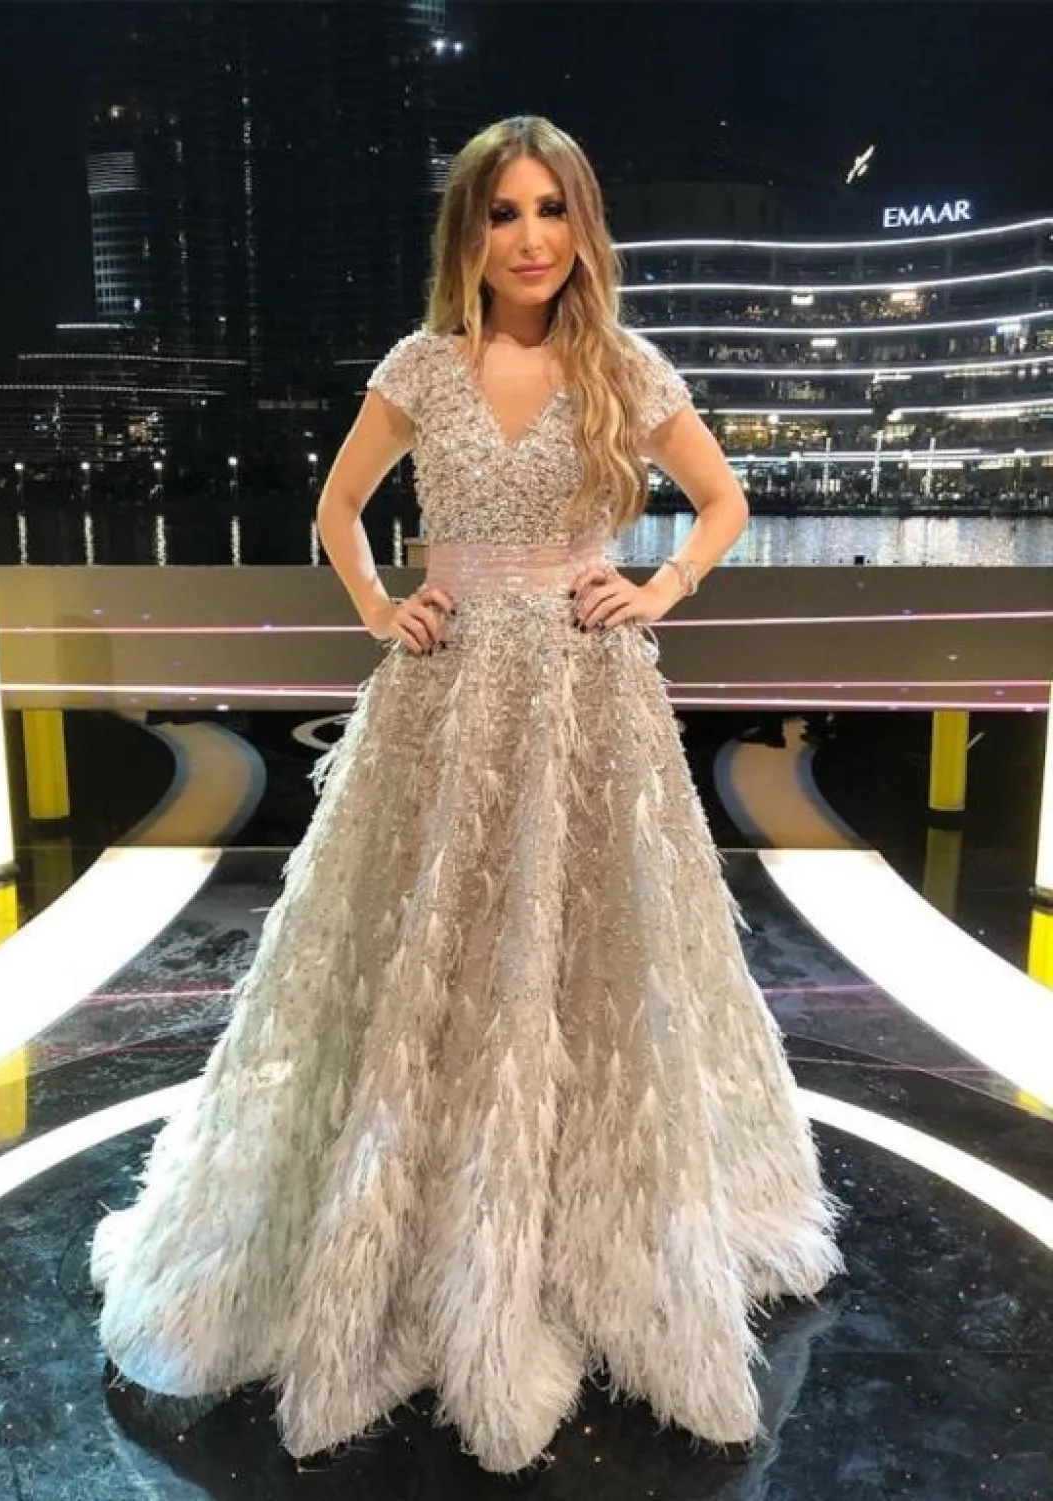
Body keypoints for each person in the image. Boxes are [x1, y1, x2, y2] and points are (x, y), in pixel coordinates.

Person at [89, 114, 848, 1477]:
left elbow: (724, 501)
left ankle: (580, 1224)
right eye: (505, 212)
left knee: (590, 956)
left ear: (583, 226)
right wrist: (382, 607)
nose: (531, 237)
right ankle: (406, 1218)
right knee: (419, 950)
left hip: (587, 700)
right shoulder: (422, 369)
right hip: (441, 705)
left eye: (553, 209)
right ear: (471, 234)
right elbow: (336, 510)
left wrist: (661, 586)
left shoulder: (623, 367)